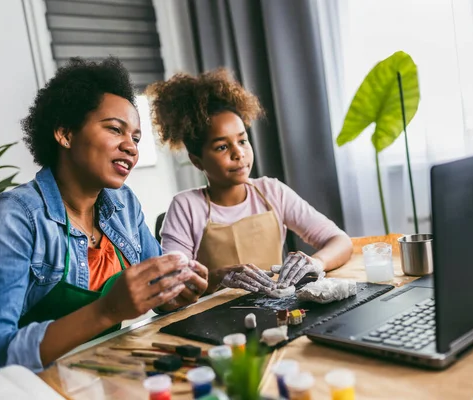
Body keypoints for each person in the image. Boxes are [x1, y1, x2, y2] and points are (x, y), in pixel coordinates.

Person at [0, 57, 208, 372]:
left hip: (109, 374)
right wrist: (107, 310)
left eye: (136, 138)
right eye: (115, 129)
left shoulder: (123, 204)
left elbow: (160, 288)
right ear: (65, 134)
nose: (131, 147)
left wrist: (176, 292)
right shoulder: (15, 219)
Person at [147, 68, 352, 295]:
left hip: (278, 308)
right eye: (222, 147)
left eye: (242, 141)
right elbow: (173, 285)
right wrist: (218, 277)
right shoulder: (186, 206)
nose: (239, 154)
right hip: (214, 318)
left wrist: (316, 263)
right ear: (197, 161)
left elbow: (340, 240)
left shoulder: (273, 191)